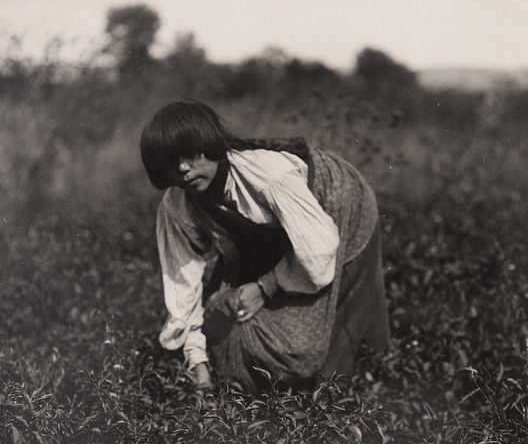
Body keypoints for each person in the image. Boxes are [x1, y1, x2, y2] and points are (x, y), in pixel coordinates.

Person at [140, 100, 390, 393]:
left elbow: (320, 254)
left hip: (335, 200)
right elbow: (182, 290)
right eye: (170, 162)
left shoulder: (267, 176)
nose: (183, 168)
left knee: (332, 326)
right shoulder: (177, 207)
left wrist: (265, 287)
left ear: (210, 146)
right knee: (228, 319)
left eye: (191, 154)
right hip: (277, 227)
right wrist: (201, 373)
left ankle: (362, 389)